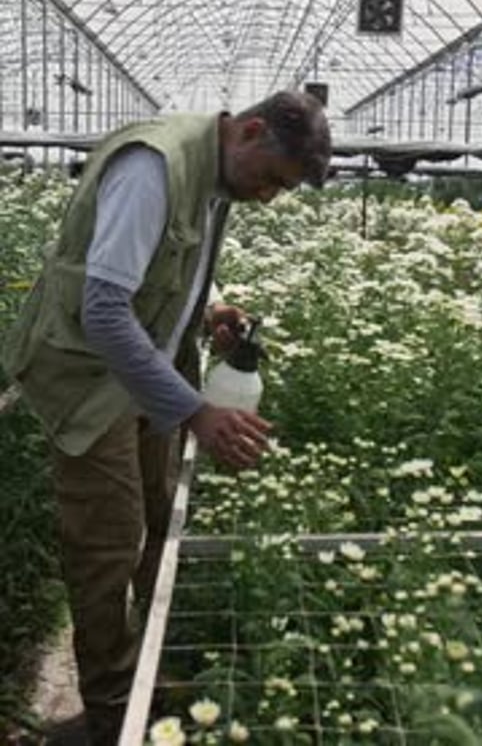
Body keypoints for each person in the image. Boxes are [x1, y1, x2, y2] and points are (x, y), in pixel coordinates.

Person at [3, 90, 332, 746]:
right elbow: (103, 311)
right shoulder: (151, 167)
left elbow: (155, 271)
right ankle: (111, 714)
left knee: (160, 518)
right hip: (92, 382)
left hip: (147, 371)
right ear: (250, 131)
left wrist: (202, 314)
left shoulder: (215, 176)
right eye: (270, 179)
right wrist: (196, 412)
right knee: (108, 545)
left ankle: (151, 669)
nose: (267, 197)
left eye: (281, 190)